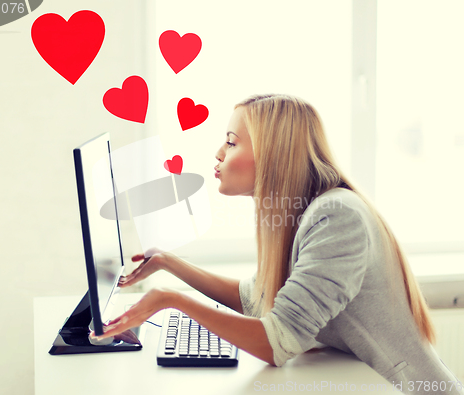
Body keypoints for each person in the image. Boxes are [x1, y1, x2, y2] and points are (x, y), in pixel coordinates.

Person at [93, 94, 463, 394]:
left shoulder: (337, 217)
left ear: (273, 153)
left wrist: (171, 300)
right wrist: (171, 264)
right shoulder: (304, 214)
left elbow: (276, 343)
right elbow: (256, 298)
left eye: (231, 142)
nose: (218, 154)